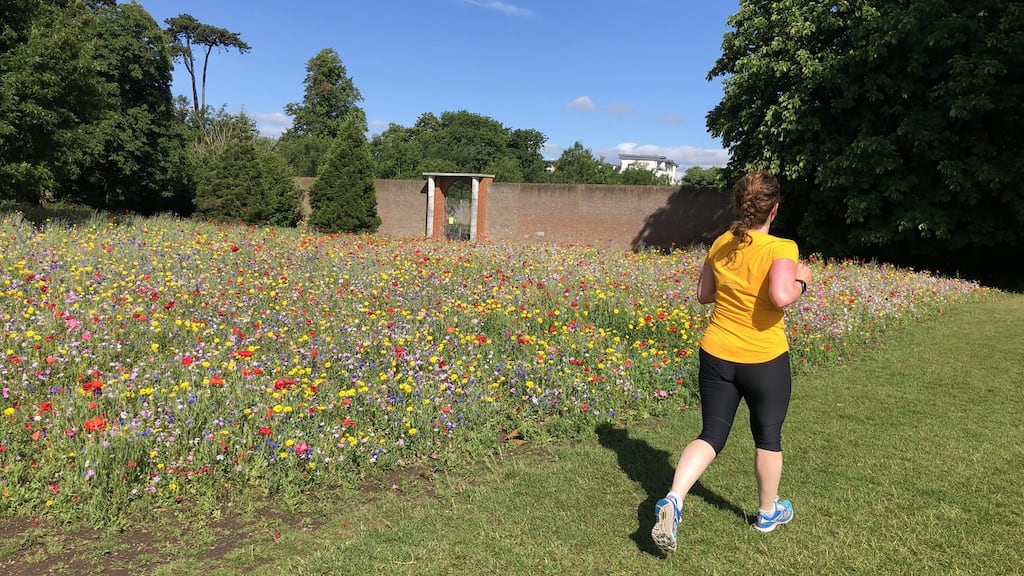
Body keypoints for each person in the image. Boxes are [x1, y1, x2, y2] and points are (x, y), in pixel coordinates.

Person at [651, 170, 813, 554]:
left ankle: (674, 498)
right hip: (764, 357)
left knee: (712, 434)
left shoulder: (722, 243)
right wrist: (803, 280)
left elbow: (704, 295)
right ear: (774, 209)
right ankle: (768, 513)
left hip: (717, 352)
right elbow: (780, 295)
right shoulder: (782, 247)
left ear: (741, 205)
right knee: (768, 437)